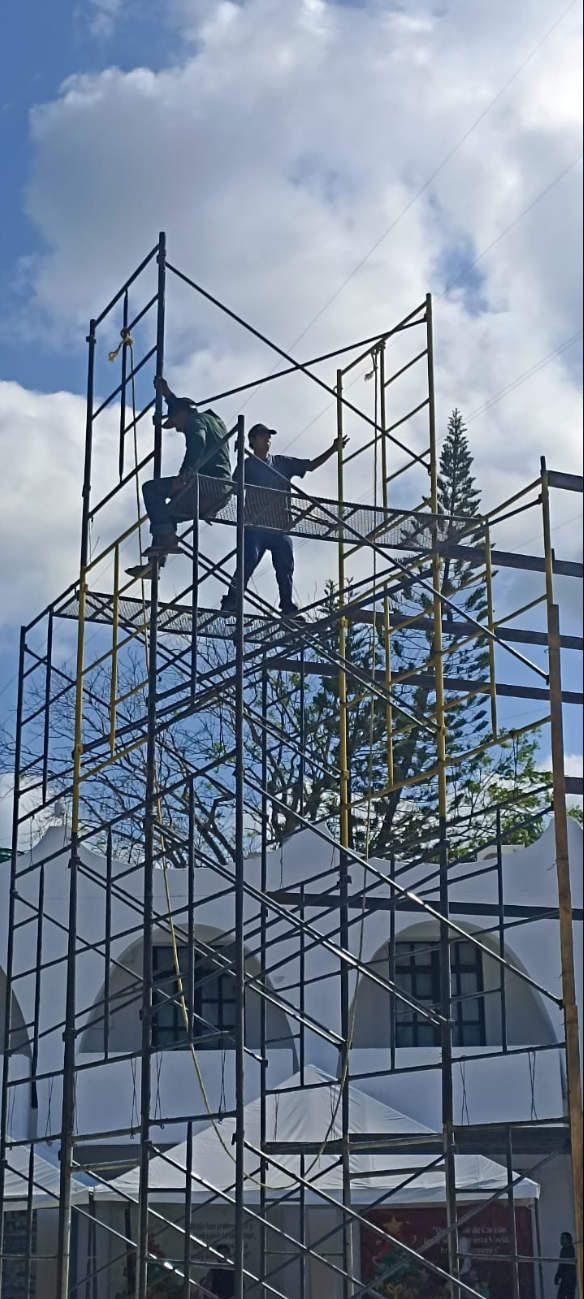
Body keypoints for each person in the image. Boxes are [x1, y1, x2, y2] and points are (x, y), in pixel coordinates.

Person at [220, 422, 347, 619]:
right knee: (247, 562)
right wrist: (238, 456)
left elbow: (310, 466)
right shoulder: (247, 466)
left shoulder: (282, 463)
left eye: (269, 436)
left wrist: (333, 449)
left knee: (285, 567)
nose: (268, 439)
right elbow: (233, 486)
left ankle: (287, 607)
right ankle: (231, 600)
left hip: (279, 527)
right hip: (255, 526)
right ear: (252, 441)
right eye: (263, 436)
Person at [141, 377, 232, 561]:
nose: (177, 430)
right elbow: (183, 407)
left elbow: (197, 441)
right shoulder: (214, 420)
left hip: (206, 486)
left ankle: (167, 540)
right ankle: (156, 562)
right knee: (164, 515)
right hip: (222, 490)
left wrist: (184, 475)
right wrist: (167, 394)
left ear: (180, 415)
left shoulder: (195, 421)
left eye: (175, 423)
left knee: (150, 489)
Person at [555, 1231, 577, 1299]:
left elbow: (570, 1267)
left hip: (570, 1280)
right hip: (564, 1280)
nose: (561, 1240)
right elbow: (561, 1264)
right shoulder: (563, 1250)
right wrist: (557, 1275)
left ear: (568, 1239)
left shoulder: (572, 1250)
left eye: (563, 1238)